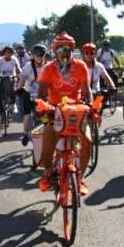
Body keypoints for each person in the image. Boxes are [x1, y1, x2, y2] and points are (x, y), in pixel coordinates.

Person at [36, 32, 92, 196]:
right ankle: (48, 173)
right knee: (47, 148)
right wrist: (43, 107)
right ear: (55, 50)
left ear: (73, 50)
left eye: (68, 48)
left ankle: (80, 178)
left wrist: (91, 106)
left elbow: (87, 91)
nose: (64, 51)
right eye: (60, 48)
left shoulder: (81, 66)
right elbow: (41, 93)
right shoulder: (49, 68)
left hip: (76, 109)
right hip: (55, 110)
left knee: (87, 141)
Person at [16, 44, 47, 145]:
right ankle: (27, 133)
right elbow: (22, 79)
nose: (39, 57)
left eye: (41, 55)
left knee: (47, 115)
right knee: (27, 115)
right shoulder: (28, 66)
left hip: (43, 95)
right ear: (33, 55)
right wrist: (19, 88)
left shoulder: (48, 66)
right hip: (29, 93)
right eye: (37, 55)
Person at [0, 45, 21, 118]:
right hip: (2, 78)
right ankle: (1, 109)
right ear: (4, 53)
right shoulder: (0, 60)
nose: (8, 54)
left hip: (12, 77)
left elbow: (18, 68)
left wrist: (20, 73)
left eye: (10, 52)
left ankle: (14, 103)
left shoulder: (14, 59)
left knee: (13, 87)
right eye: (7, 52)